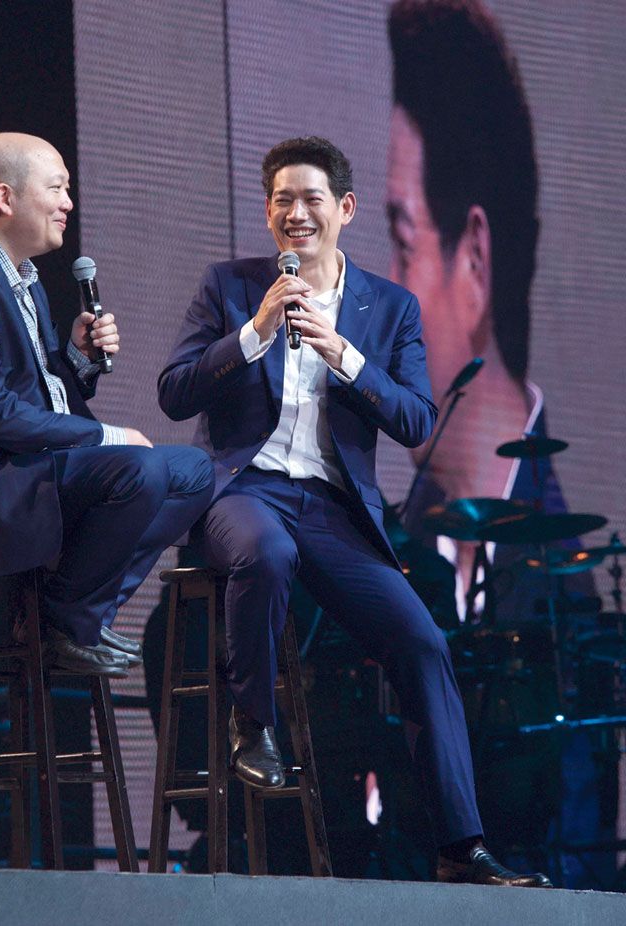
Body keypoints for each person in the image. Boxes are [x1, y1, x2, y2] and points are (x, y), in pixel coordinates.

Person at [158, 135, 550, 886]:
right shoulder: (230, 287)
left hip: (333, 508)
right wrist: (254, 334)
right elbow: (174, 393)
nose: (295, 214)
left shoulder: (389, 307)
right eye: (282, 200)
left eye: (311, 199)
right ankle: (253, 724)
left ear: (345, 208)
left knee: (422, 643)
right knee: (267, 551)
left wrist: (345, 355)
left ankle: (460, 846)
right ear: (268, 212)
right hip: (244, 491)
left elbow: (415, 419)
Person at [0, 132, 214, 676]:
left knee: (193, 470)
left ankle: (73, 617)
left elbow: (36, 389)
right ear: (5, 197)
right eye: (57, 188)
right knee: (137, 469)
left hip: (24, 462)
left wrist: (78, 359)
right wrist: (108, 436)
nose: (69, 203)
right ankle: (66, 621)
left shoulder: (22, 275)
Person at [386, 0, 588, 624]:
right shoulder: (385, 568)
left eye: (402, 245)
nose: (382, 294)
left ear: (474, 261)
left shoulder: (572, 592)